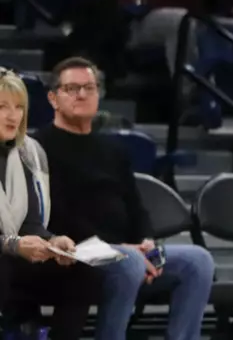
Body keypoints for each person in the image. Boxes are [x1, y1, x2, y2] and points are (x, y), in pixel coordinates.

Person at [38, 58, 214, 340]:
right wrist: (123, 247)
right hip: (76, 249)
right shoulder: (40, 146)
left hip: (126, 249)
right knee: (130, 260)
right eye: (71, 88)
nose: (82, 95)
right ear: (53, 98)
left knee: (198, 261)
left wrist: (147, 240)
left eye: (89, 87)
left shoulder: (114, 150)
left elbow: (136, 206)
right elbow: (56, 214)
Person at [0, 69, 89, 340]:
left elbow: (31, 223)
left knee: (79, 271)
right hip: (6, 256)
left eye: (19, 107)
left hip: (15, 256)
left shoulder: (28, 153)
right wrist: (13, 245)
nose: (13, 115)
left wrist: (53, 241)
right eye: (2, 106)